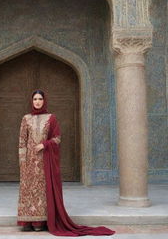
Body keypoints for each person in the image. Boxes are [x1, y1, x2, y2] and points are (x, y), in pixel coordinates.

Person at [17, 89, 115, 236]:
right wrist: (23, 161)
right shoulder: (26, 118)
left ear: (44, 101)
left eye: (40, 99)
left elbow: (57, 138)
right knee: (28, 190)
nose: (37, 102)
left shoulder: (51, 118)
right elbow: (21, 141)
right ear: (32, 101)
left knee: (42, 191)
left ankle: (40, 222)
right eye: (35, 99)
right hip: (29, 161)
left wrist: (45, 144)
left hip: (44, 161)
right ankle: (28, 222)